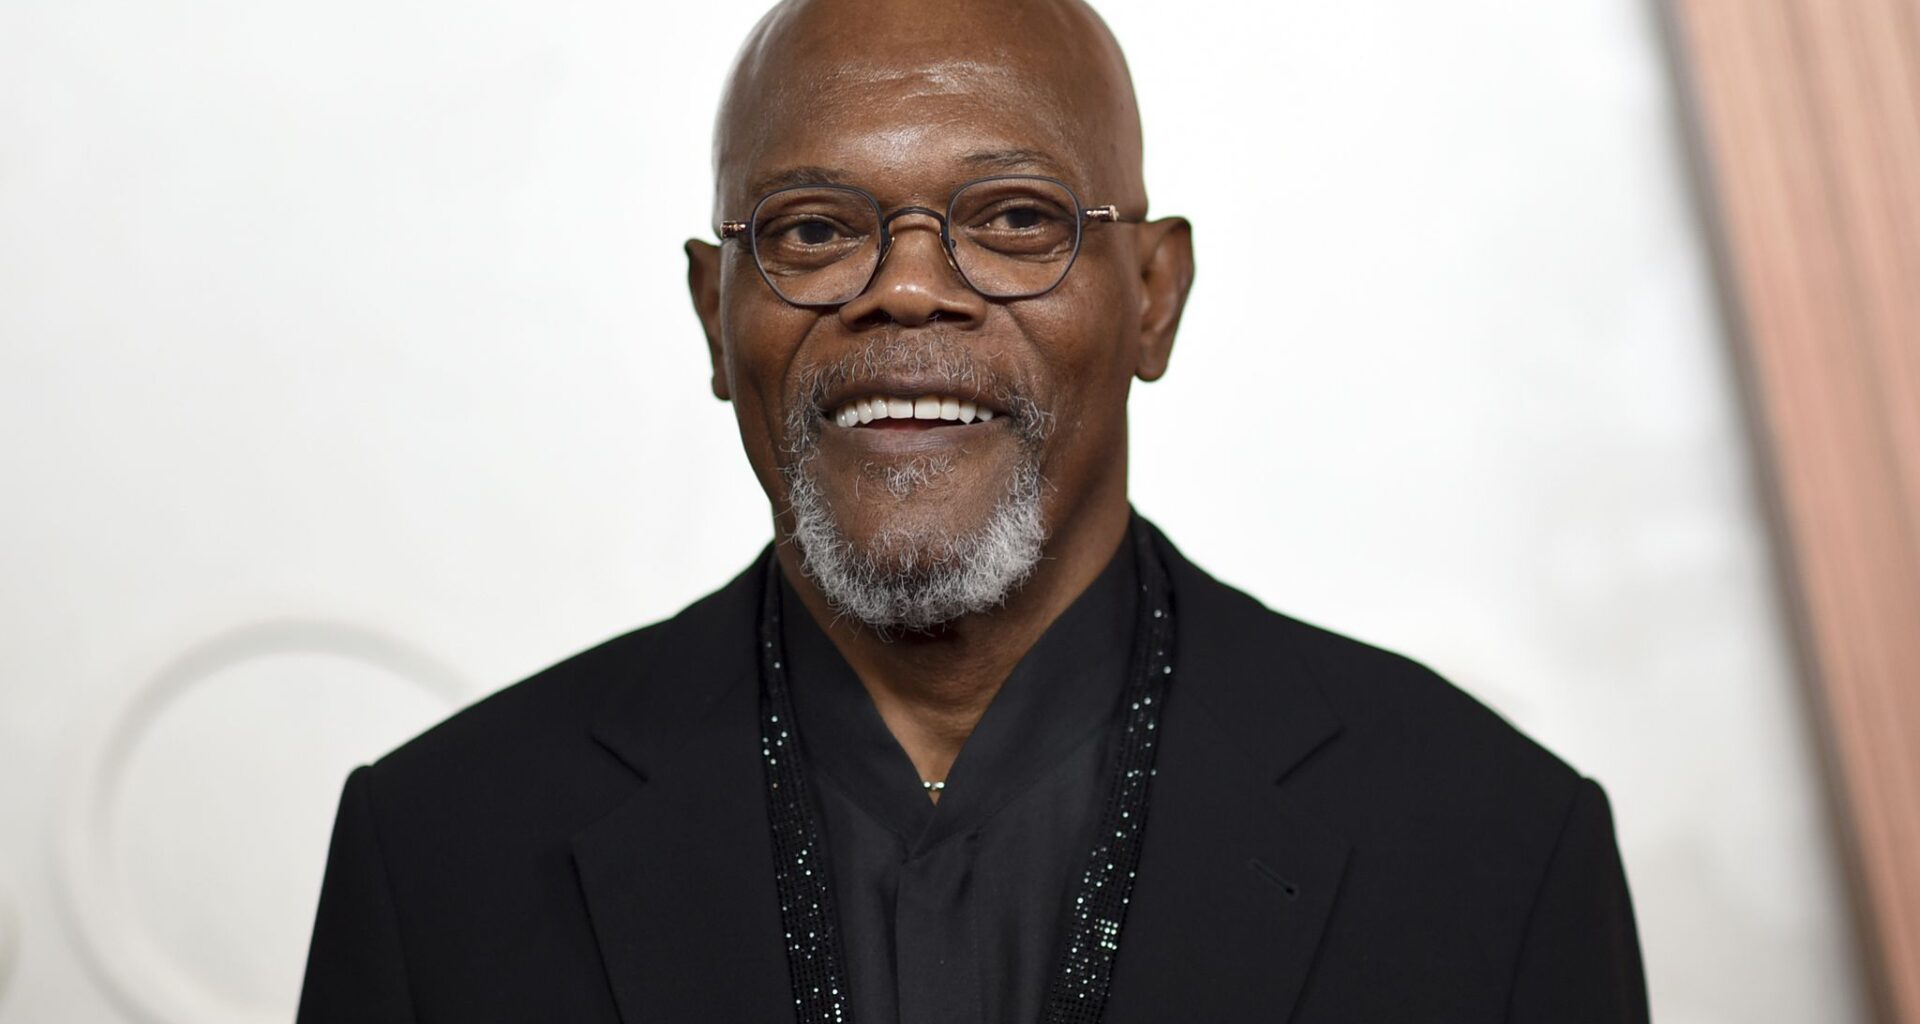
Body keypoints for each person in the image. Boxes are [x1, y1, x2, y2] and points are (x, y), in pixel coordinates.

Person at [296, 0, 1649, 1019]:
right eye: (816, 230)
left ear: (1153, 295)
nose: (908, 292)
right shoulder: (440, 855)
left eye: (1012, 220)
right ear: (717, 315)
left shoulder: (1490, 849)